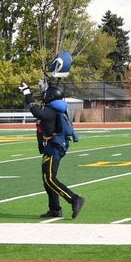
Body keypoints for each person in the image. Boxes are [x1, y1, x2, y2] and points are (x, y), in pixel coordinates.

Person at [19, 81, 84, 219]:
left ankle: (74, 199)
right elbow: (45, 104)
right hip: (54, 146)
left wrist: (27, 94)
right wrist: (44, 89)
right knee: (47, 179)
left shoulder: (51, 110)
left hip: (53, 147)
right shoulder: (57, 108)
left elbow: (36, 111)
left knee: (49, 178)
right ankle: (54, 209)